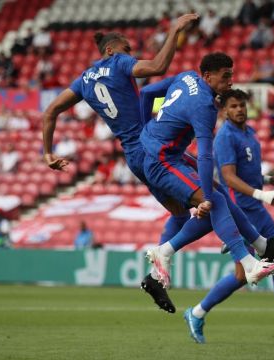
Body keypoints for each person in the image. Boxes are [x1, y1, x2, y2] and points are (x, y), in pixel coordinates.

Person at [42, 13, 201, 313]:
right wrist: (175, 31)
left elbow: (50, 112)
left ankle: (155, 278)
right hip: (153, 148)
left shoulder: (83, 80)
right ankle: (251, 250)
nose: (131, 54)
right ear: (111, 50)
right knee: (211, 196)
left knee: (181, 213)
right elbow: (157, 66)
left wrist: (48, 153)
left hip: (134, 157)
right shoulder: (119, 63)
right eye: (127, 49)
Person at [139, 52, 274, 293]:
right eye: (225, 76)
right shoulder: (204, 105)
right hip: (162, 160)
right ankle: (248, 262)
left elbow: (147, 93)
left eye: (231, 75)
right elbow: (205, 155)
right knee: (216, 200)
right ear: (208, 77)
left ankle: (261, 246)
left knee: (218, 195)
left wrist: (144, 127)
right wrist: (206, 197)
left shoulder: (187, 76)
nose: (230, 81)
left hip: (162, 151)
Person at [183, 89, 274, 345]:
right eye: (234, 106)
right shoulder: (225, 137)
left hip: (257, 211)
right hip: (240, 212)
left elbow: (248, 175)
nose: (240, 110)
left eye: (242, 105)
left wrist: (271, 179)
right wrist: (264, 195)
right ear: (225, 110)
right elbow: (228, 178)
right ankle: (196, 312)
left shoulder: (249, 133)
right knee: (248, 274)